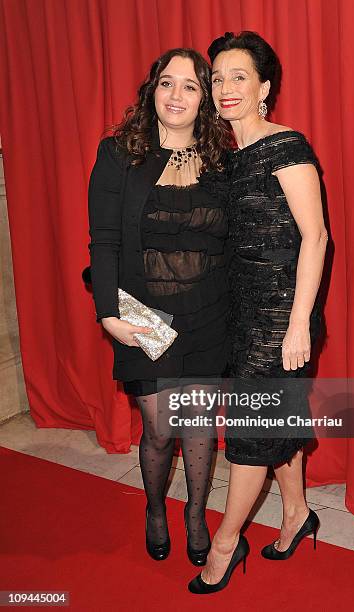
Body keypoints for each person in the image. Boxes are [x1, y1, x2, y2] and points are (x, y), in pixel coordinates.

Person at [188, 31, 328, 594]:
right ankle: (296, 513)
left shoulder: (286, 145)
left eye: (238, 76)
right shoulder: (222, 157)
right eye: (217, 78)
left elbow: (315, 237)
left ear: (264, 87)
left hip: (278, 316)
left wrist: (298, 324)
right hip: (236, 311)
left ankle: (225, 545)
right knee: (274, 421)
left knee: (249, 432)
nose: (224, 88)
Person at [87, 48, 231, 566]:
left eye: (189, 86)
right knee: (160, 428)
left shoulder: (220, 161)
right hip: (144, 313)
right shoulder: (118, 154)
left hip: (209, 312)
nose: (176, 95)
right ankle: (154, 509)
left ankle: (194, 515)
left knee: (198, 427)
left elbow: (232, 242)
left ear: (204, 99)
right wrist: (109, 313)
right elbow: (103, 240)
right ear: (151, 91)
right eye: (166, 83)